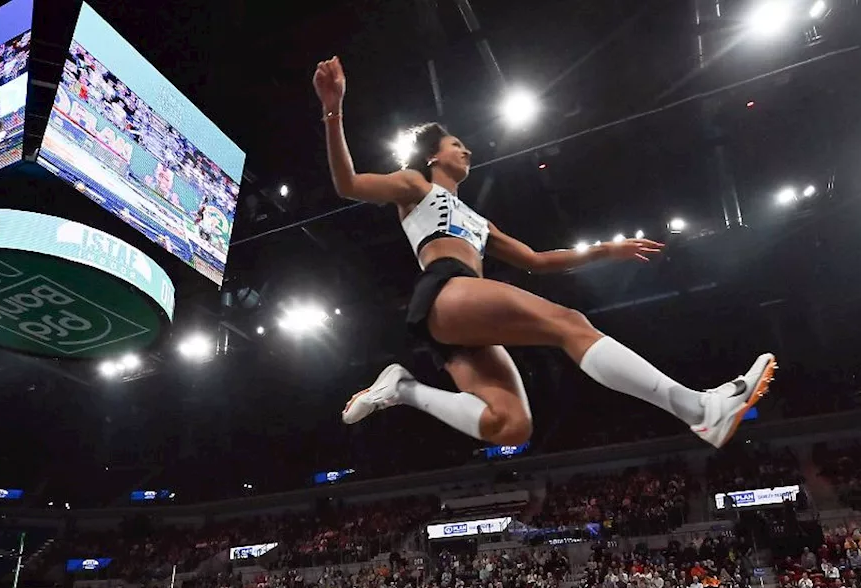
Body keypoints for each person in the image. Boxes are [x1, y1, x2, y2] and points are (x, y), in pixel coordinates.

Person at [312, 56, 775, 450]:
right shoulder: (415, 185)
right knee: (569, 324)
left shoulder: (478, 222)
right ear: (433, 157)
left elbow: (535, 260)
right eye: (456, 144)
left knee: (512, 426)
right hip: (445, 289)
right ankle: (698, 408)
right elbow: (347, 184)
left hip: (461, 315)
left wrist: (605, 250)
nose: (466, 148)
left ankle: (406, 389)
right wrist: (334, 112)